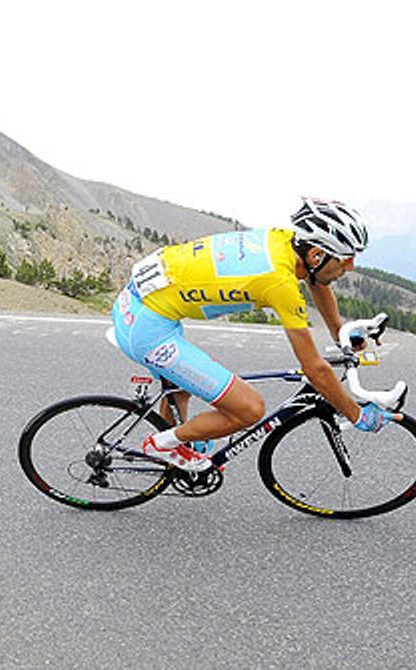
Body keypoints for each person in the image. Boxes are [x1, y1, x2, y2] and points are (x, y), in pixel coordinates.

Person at [110, 197, 399, 472]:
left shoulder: (285, 241)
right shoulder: (279, 282)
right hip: (148, 331)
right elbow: (314, 370)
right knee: (249, 408)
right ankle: (161, 446)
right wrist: (358, 415)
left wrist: (340, 333)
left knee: (181, 387)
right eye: (345, 260)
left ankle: (174, 450)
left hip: (135, 305)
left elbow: (317, 280)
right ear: (317, 253)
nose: (350, 268)